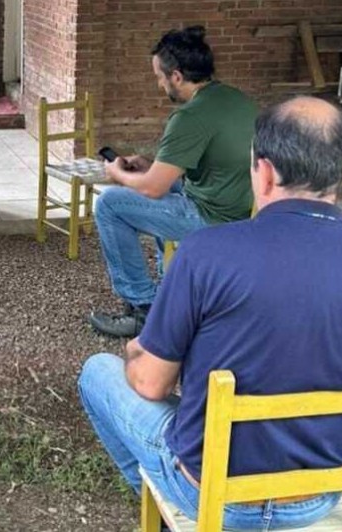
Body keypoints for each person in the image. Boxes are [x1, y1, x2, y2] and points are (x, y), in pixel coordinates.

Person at [78, 96, 342, 530]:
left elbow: (150, 383)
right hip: (317, 494)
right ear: (341, 173)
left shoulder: (206, 253)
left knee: (98, 371)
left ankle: (162, 504)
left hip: (214, 492)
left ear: (265, 171)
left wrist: (136, 350)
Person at [88, 26, 258, 338]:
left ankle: (142, 309)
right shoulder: (238, 100)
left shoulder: (190, 116)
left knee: (110, 204)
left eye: (159, 77)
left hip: (214, 216)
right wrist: (150, 166)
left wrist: (118, 173)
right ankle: (172, 292)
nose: (159, 84)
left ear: (176, 76)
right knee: (152, 181)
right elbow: (204, 164)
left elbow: (154, 188)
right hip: (240, 203)